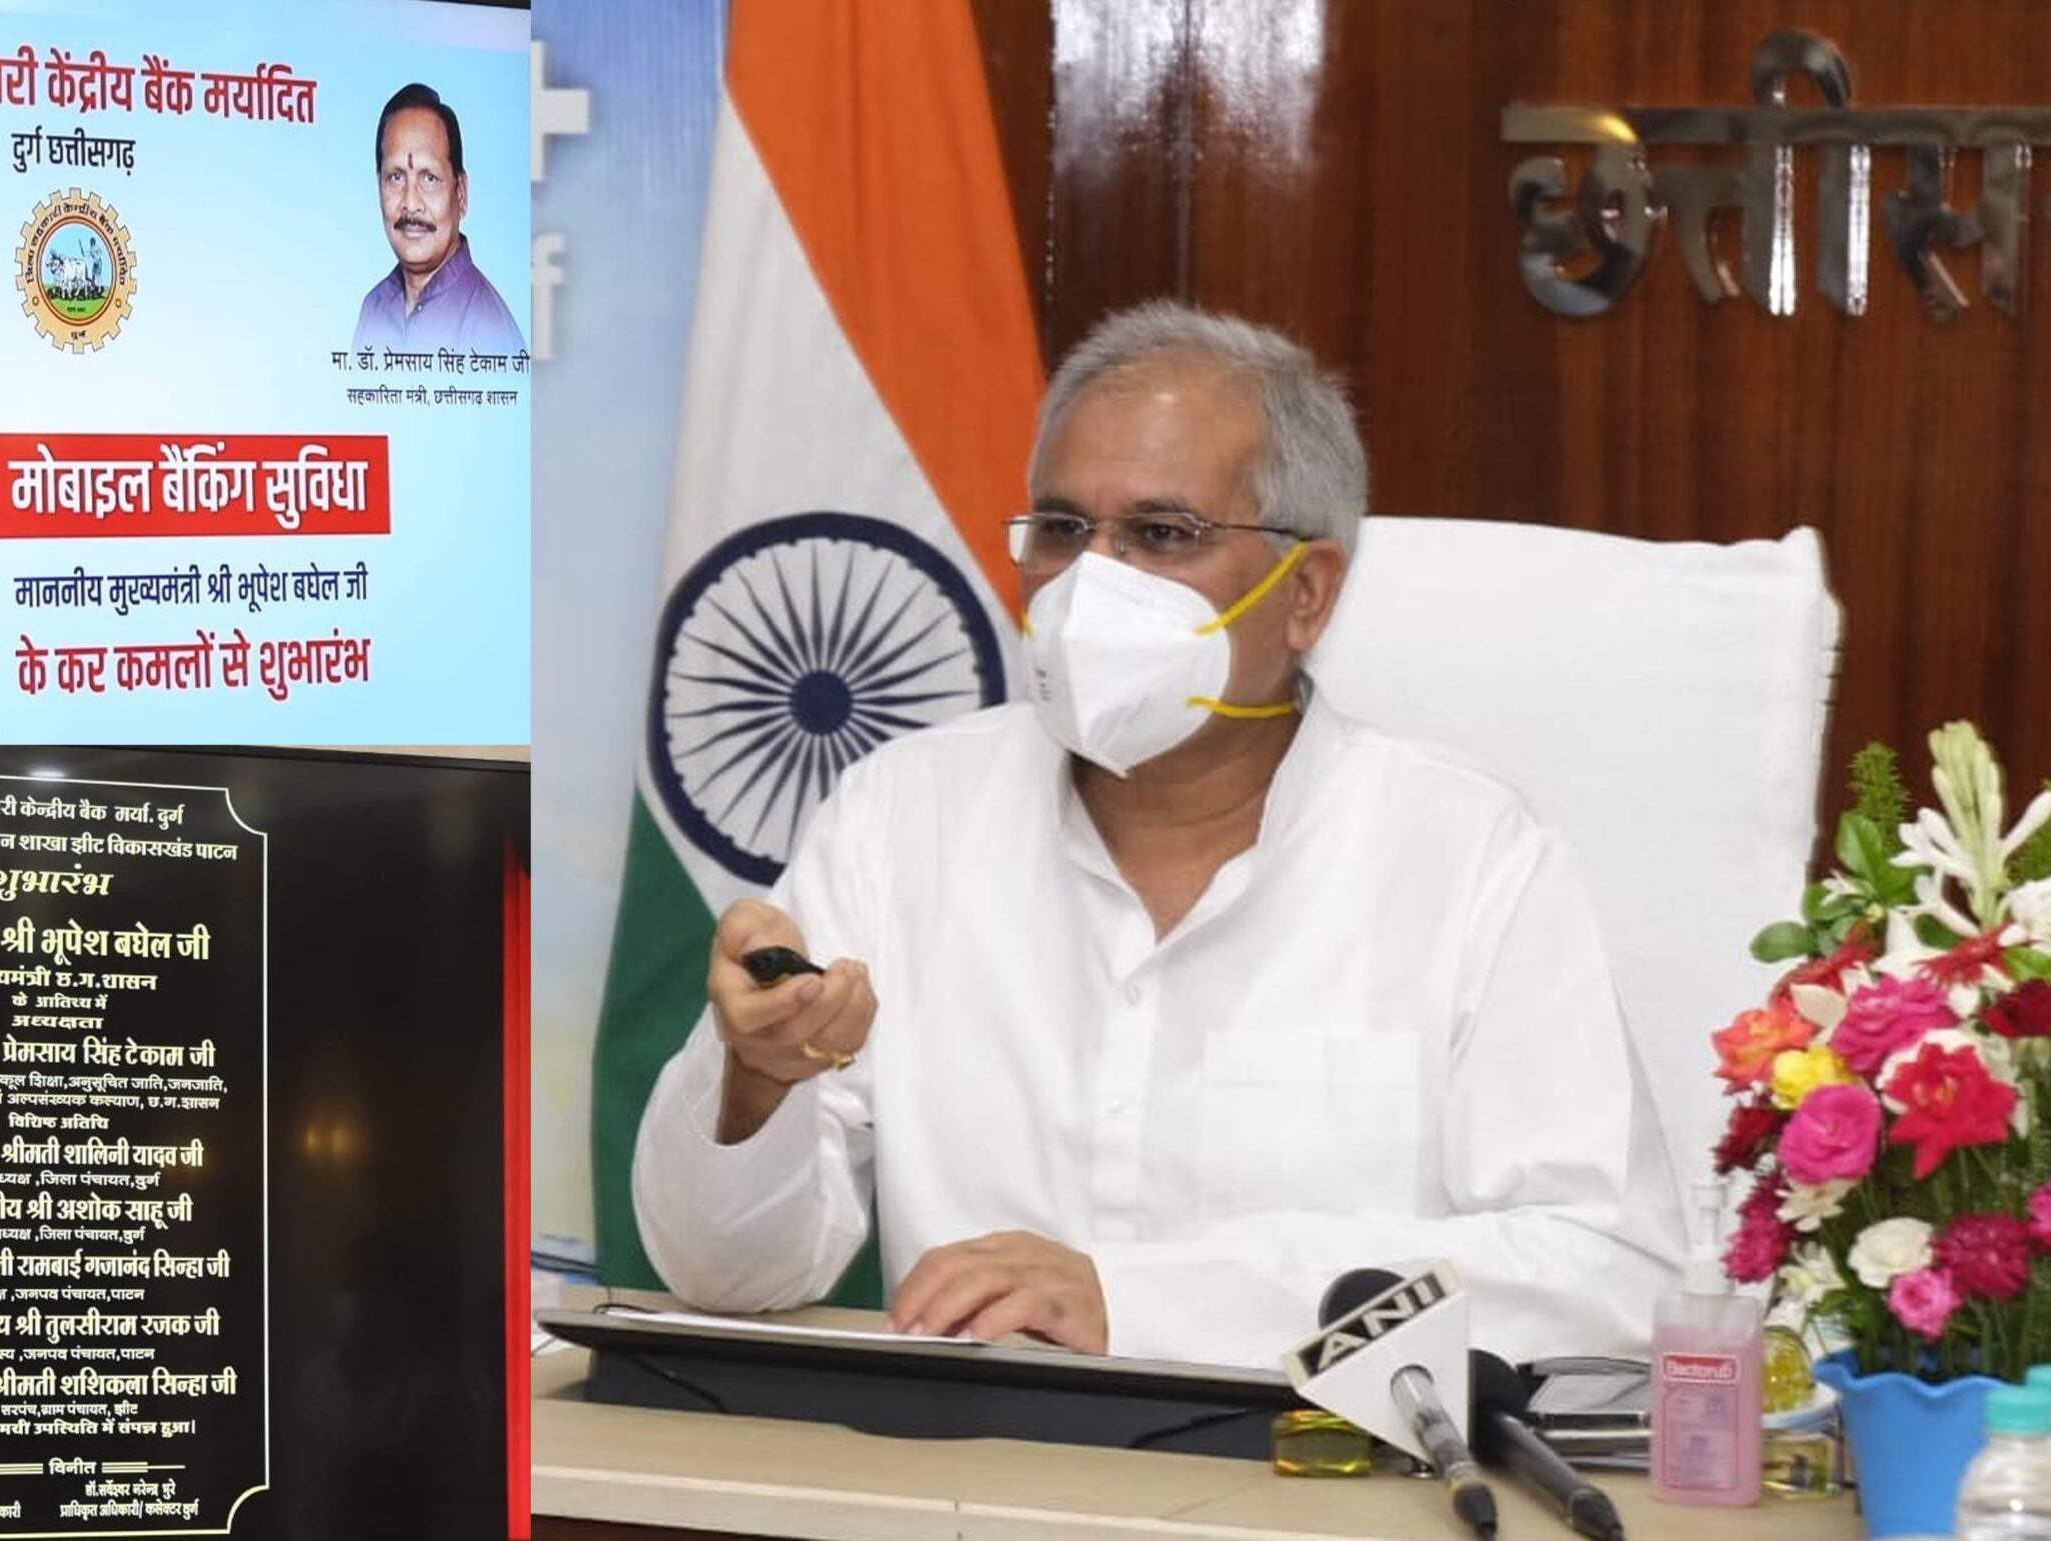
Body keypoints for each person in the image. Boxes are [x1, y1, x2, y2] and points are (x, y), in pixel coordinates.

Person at [631, 301, 1686, 1368]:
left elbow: (1605, 1274)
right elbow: (729, 1278)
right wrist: (756, 1080)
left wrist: (1138, 1301)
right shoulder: (900, 815)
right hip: (971, 1458)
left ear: (1306, 592)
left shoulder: (1465, 854)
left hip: (1313, 1463)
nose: (1092, 582)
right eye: (1060, 529)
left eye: (1162, 534)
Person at [350, 83, 524, 356]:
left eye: (429, 179)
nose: (410, 204)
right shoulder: (374, 309)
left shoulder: (487, 327)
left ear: (461, 193)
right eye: (396, 177)